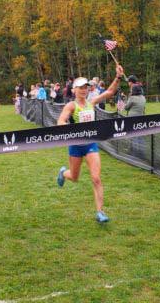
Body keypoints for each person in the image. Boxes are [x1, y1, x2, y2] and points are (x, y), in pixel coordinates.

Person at [56, 64, 125, 223]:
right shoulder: (71, 106)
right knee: (74, 177)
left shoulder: (91, 102)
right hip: (75, 146)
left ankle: (100, 212)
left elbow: (109, 92)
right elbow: (60, 120)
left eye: (86, 87)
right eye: (80, 87)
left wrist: (118, 77)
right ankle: (63, 173)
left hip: (90, 145)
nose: (83, 90)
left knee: (96, 178)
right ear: (74, 90)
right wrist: (68, 129)